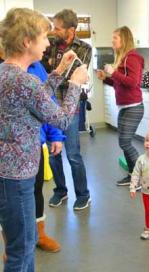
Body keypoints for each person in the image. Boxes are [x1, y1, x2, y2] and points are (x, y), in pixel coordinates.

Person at [0, 7, 88, 271]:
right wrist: (75, 84)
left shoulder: (8, 72)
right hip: (16, 178)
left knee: (22, 246)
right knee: (22, 249)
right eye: (43, 37)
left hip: (10, 174)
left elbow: (35, 96)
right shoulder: (22, 80)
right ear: (27, 42)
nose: (49, 43)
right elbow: (61, 119)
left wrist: (60, 69)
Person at [44, 9, 92, 210]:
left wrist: (54, 68)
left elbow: (74, 76)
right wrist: (55, 70)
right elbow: (44, 72)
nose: (53, 31)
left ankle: (83, 194)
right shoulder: (50, 44)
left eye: (58, 28)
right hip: (50, 104)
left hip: (71, 105)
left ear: (71, 30)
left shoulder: (84, 48)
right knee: (54, 153)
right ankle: (60, 191)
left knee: (72, 154)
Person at [97, 26, 144, 186]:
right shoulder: (123, 57)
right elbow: (120, 83)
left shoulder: (132, 58)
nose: (112, 41)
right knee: (123, 142)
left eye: (115, 38)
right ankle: (132, 175)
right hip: (125, 107)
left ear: (124, 40)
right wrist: (106, 78)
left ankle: (140, 177)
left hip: (134, 107)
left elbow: (132, 83)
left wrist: (113, 72)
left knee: (125, 142)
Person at [28, 61, 63, 252]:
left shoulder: (36, 66)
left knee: (36, 190)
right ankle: (13, 246)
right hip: (8, 152)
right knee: (9, 199)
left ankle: (39, 235)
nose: (48, 43)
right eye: (43, 37)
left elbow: (48, 104)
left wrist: (55, 135)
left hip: (36, 143)